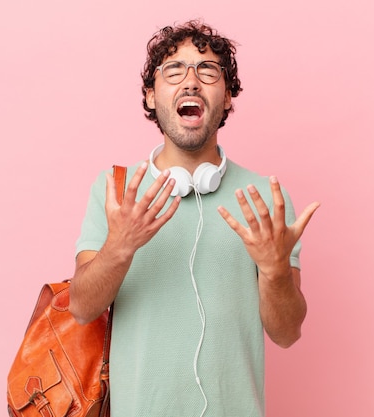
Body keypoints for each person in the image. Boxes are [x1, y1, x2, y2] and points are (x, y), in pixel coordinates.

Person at [69, 20, 319, 417]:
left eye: (207, 70)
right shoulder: (115, 190)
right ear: (151, 96)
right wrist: (121, 245)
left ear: (227, 98)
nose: (190, 81)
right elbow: (81, 308)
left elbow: (287, 333)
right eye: (173, 70)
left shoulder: (265, 199)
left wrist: (274, 272)